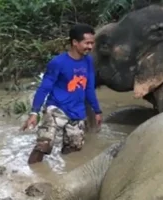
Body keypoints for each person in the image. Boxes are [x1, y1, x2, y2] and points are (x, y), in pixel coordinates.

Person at [22, 24, 103, 165]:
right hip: (56, 108)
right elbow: (44, 88)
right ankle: (28, 177)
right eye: (87, 43)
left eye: (92, 43)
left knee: (73, 151)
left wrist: (97, 111)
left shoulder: (88, 61)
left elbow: (89, 88)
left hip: (77, 111)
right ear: (75, 42)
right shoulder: (57, 62)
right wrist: (34, 112)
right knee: (43, 145)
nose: (90, 47)